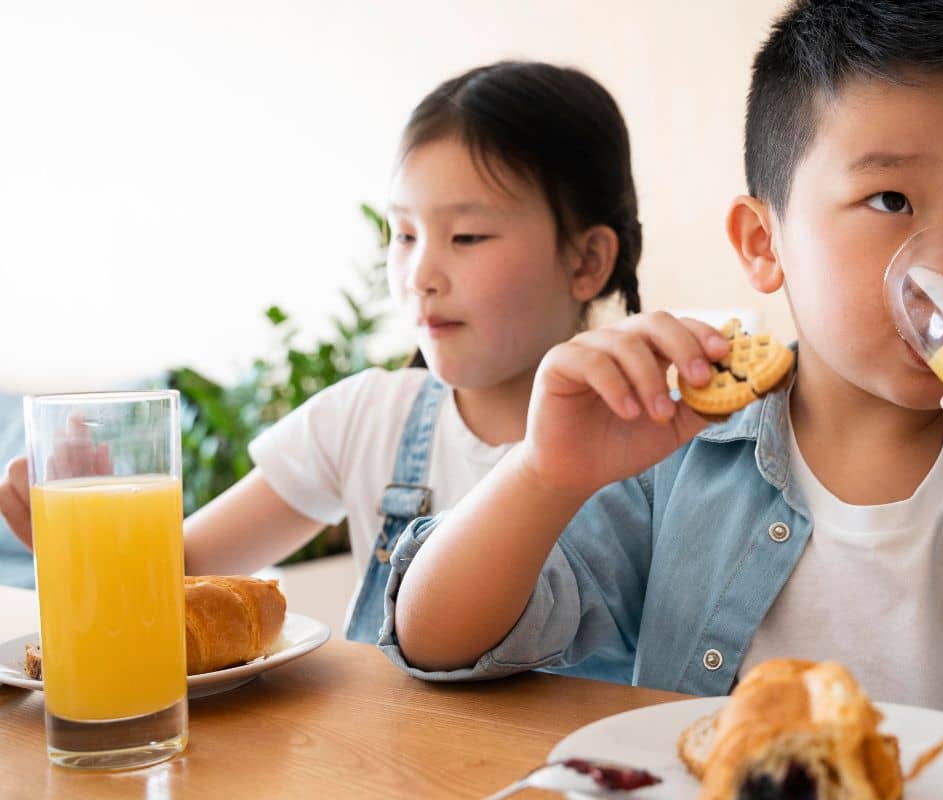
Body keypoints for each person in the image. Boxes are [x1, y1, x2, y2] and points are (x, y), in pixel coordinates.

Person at [383, 1, 943, 766]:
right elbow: (437, 642)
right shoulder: (676, 454)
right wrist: (540, 475)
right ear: (763, 244)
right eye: (890, 198)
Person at [0, 60, 644, 643]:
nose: (421, 274)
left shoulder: (648, 446)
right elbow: (178, 570)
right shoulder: (367, 417)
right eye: (405, 234)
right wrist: (88, 532)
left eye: (467, 236)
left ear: (586, 260)